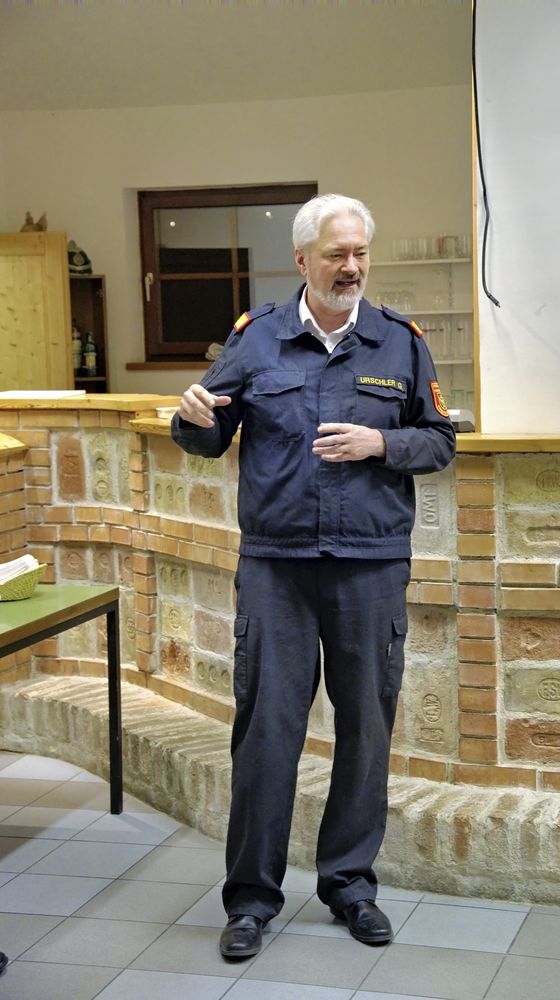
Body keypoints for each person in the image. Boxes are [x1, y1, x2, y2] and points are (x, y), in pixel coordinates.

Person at [171, 193, 456, 960]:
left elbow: (438, 441)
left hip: (369, 566)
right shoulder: (256, 338)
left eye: (360, 252)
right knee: (266, 734)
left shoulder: (398, 343)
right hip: (276, 568)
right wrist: (191, 419)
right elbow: (208, 432)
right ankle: (250, 900)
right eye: (336, 254)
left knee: (364, 729)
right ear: (302, 260)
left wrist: (379, 445)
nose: (351, 267)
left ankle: (350, 886)